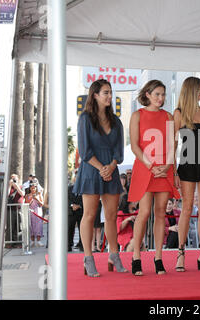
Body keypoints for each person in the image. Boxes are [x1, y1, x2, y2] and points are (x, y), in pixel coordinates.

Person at [73, 79, 126, 277]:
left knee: (111, 216)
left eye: (110, 92)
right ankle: (88, 258)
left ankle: (114, 254)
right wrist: (102, 168)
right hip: (91, 170)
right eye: (105, 92)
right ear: (94, 95)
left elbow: (119, 152)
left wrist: (110, 167)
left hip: (110, 171)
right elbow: (85, 151)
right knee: (89, 215)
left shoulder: (117, 121)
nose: (109, 96)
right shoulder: (85, 118)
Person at [128, 80, 180, 276]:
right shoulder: (137, 116)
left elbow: (172, 145)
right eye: (157, 94)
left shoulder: (168, 116)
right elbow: (134, 145)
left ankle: (158, 257)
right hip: (145, 169)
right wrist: (150, 166)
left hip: (164, 169)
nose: (161, 98)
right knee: (144, 212)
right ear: (147, 94)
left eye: (163, 94)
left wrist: (167, 166)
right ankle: (136, 256)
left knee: (160, 213)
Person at [173, 76, 200, 272]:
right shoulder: (179, 113)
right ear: (192, 90)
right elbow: (173, 144)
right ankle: (181, 253)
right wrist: (173, 170)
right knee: (187, 207)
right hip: (187, 164)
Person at [6, 174, 25, 247]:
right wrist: (10, 186)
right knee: (10, 226)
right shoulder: (9, 187)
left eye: (15, 179)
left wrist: (16, 187)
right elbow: (6, 196)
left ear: (18, 179)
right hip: (10, 209)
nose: (14, 180)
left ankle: (19, 243)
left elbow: (22, 194)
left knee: (19, 226)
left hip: (18, 209)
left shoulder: (21, 186)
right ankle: (9, 243)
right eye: (13, 179)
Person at [25, 183, 44, 247]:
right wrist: (31, 199)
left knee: (38, 226)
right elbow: (27, 203)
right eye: (32, 188)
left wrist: (36, 198)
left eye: (34, 188)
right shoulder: (27, 195)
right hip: (31, 212)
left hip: (38, 212)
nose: (33, 189)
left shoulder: (39, 195)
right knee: (31, 226)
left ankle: (38, 241)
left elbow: (41, 204)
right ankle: (32, 241)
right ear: (30, 188)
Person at [68, 175, 83, 252]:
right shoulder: (69, 189)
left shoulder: (83, 189)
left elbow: (85, 199)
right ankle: (69, 244)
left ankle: (82, 244)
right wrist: (72, 205)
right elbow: (66, 199)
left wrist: (79, 205)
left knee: (82, 228)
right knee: (70, 229)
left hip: (81, 212)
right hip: (71, 212)